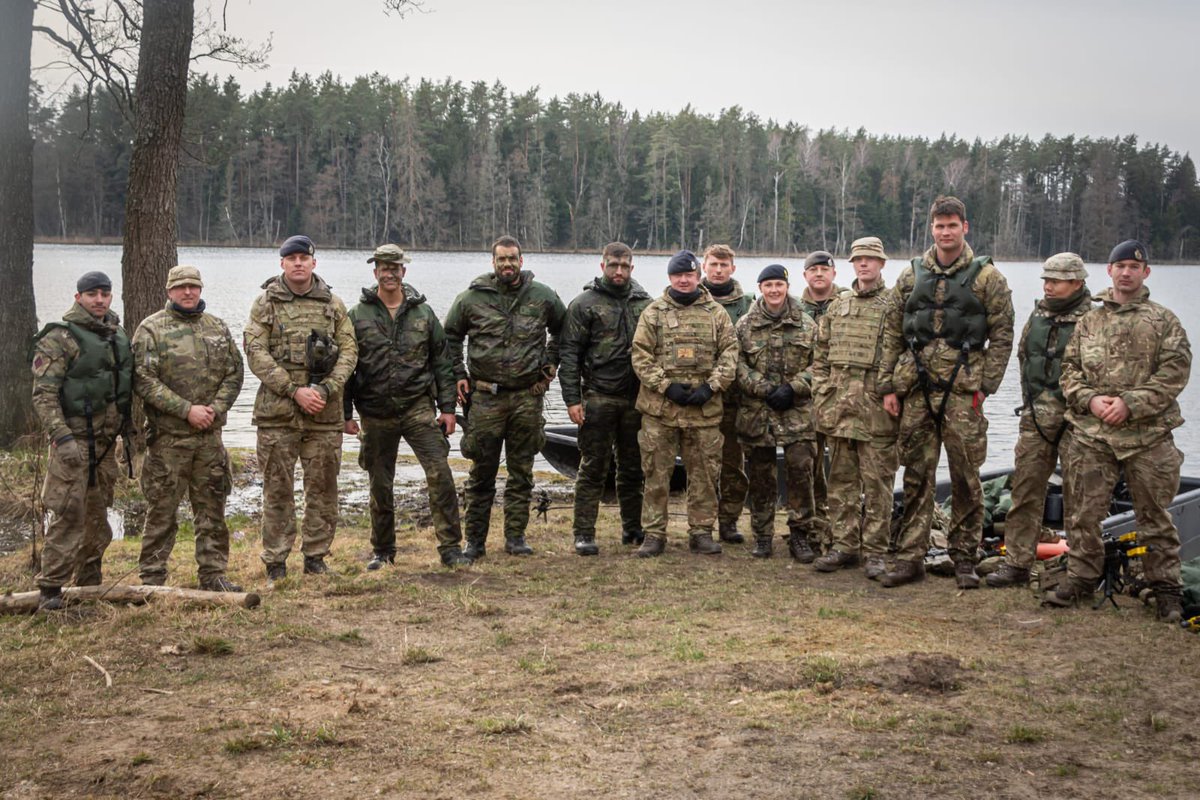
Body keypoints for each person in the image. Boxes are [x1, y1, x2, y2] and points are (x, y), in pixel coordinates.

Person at [1053, 240, 1191, 622]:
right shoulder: (1089, 322)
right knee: (1082, 513)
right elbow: (1069, 371)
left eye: (1134, 266)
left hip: (1148, 436)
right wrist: (1091, 400)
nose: (1126, 272)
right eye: (1121, 266)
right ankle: (1081, 578)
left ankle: (1166, 590)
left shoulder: (1163, 322)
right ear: (1109, 271)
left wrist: (1131, 403)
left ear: (1146, 273)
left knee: (1155, 518)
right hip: (1094, 435)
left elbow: (1175, 372)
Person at [880, 196, 1014, 588]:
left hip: (963, 391)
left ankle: (965, 558)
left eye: (952, 225)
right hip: (917, 389)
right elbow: (891, 332)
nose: (945, 232)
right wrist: (888, 386)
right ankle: (910, 557)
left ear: (964, 227)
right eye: (939, 226)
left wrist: (986, 385)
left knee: (966, 477)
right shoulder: (911, 275)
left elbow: (1003, 335)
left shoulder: (988, 278)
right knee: (917, 474)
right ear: (932, 228)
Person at [343, 244, 471, 569]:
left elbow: (442, 363)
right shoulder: (357, 315)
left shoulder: (423, 314)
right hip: (375, 412)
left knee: (440, 474)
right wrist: (345, 415)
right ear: (375, 272)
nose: (389, 273)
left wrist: (447, 409)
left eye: (395, 267)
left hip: (417, 408)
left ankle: (450, 548)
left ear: (403, 271)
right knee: (380, 484)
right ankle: (383, 551)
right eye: (383, 268)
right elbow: (346, 368)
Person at [444, 235, 566, 558]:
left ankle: (515, 537)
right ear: (493, 262)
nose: (507, 264)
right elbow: (450, 337)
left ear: (521, 261)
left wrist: (551, 362)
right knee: (481, 472)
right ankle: (475, 541)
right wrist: (458, 373)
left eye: (513, 258)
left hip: (527, 397)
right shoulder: (471, 298)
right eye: (502, 259)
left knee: (521, 471)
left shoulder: (542, 296)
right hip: (485, 398)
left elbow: (563, 330)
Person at [244, 235, 357, 582]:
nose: (297, 263)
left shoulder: (333, 305)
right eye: (291, 258)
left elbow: (350, 352)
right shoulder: (265, 303)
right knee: (277, 489)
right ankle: (276, 562)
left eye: (303, 258)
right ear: (282, 263)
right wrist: (294, 391)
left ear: (313, 263)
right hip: (278, 413)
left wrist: (325, 388)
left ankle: (316, 557)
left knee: (323, 488)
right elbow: (255, 352)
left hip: (324, 413)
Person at [132, 266, 245, 591]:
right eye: (181, 287)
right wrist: (186, 410)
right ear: (169, 291)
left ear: (200, 289)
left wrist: (216, 408)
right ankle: (152, 578)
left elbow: (234, 373)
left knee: (212, 510)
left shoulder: (217, 327)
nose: (188, 292)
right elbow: (144, 380)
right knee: (162, 511)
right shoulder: (152, 329)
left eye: (193, 286)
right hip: (169, 441)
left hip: (209, 439)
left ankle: (213, 574)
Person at [986, 254, 1092, 588]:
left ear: (1076, 282)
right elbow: (1024, 357)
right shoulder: (1038, 315)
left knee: (1080, 497)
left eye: (1056, 281)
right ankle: (1017, 562)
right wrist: (1031, 403)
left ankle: (1079, 570)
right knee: (1025, 490)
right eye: (1046, 280)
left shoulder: (1094, 320)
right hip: (1035, 418)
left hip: (1077, 422)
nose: (1048, 286)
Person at [30, 271, 133, 610]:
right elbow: (44, 395)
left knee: (98, 516)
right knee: (68, 514)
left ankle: (89, 584)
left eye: (104, 293)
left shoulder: (116, 334)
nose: (99, 300)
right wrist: (61, 437)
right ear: (79, 298)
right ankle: (50, 590)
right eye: (92, 294)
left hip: (105, 443)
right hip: (73, 441)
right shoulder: (59, 338)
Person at [630, 250, 738, 557]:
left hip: (703, 411)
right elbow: (640, 355)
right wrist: (666, 386)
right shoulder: (653, 312)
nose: (684, 280)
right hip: (661, 410)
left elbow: (730, 354)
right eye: (678, 275)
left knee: (704, 475)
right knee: (656, 474)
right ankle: (654, 534)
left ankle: (701, 532)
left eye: (689, 275)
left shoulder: (716, 313)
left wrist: (711, 387)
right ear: (670, 277)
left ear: (698, 276)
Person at [811, 238, 901, 578]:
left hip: (876, 409)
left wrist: (893, 391)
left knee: (878, 485)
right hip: (841, 409)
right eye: (858, 259)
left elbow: (904, 356)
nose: (864, 264)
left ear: (882, 264)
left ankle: (875, 552)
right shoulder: (838, 305)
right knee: (841, 483)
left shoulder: (894, 305)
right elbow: (821, 354)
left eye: (870, 259)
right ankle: (844, 546)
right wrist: (822, 390)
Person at [559, 242, 653, 555]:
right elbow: (569, 354)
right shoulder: (584, 304)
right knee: (593, 468)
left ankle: (633, 528)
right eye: (613, 265)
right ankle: (584, 532)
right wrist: (572, 399)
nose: (619, 271)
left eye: (624, 266)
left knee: (633, 468)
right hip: (598, 397)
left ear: (631, 268)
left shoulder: (646, 304)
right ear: (603, 266)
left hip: (635, 400)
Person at [734, 264, 818, 559]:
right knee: (761, 477)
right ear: (760, 288)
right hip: (759, 411)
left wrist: (794, 387)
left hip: (796, 411)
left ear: (786, 287)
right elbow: (736, 364)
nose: (773, 290)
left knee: (801, 472)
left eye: (778, 285)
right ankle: (762, 536)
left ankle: (800, 535)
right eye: (768, 285)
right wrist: (763, 388)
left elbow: (820, 364)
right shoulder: (745, 325)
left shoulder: (807, 324)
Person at [700, 244, 752, 545]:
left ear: (733, 268)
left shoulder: (748, 305)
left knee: (733, 463)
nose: (718, 270)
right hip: (700, 398)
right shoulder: (690, 298)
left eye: (724, 265)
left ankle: (729, 521)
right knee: (702, 465)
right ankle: (702, 523)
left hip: (735, 399)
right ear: (703, 266)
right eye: (713, 264)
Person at [799, 250, 845, 555]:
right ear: (805, 275)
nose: (819, 274)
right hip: (806, 400)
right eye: (813, 270)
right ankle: (812, 525)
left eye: (824, 269)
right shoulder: (794, 308)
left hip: (843, 398)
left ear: (833, 274)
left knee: (843, 466)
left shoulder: (848, 303)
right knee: (809, 465)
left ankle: (842, 528)